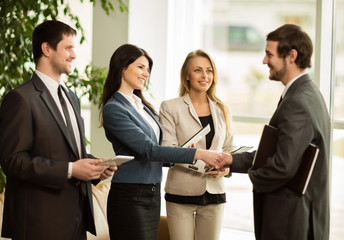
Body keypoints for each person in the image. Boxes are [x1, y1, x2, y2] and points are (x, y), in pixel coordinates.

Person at [0, 20, 116, 240]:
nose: (74, 55)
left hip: (77, 219)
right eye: (68, 47)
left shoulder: (72, 97)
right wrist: (71, 170)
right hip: (39, 223)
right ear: (46, 49)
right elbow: (12, 161)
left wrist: (95, 166)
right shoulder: (20, 99)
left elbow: (70, 153)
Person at [217, 24, 331, 240]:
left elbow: (282, 167)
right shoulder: (308, 92)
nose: (264, 61)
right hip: (299, 216)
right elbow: (277, 151)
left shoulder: (297, 101)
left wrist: (255, 177)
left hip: (290, 220)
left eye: (269, 54)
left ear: (291, 56)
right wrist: (231, 159)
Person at [100, 44, 224, 240]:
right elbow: (149, 150)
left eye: (148, 69)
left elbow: (158, 153)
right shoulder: (114, 108)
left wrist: (180, 152)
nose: (145, 74)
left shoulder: (142, 105)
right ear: (123, 67)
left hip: (152, 192)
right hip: (130, 194)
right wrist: (198, 154)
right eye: (140, 67)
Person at [159, 49, 234, 240]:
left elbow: (229, 148)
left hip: (215, 193)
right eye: (198, 70)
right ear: (187, 75)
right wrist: (205, 161)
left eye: (209, 71)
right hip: (180, 193)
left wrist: (225, 169)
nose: (205, 76)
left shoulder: (222, 109)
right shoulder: (170, 107)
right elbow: (168, 150)